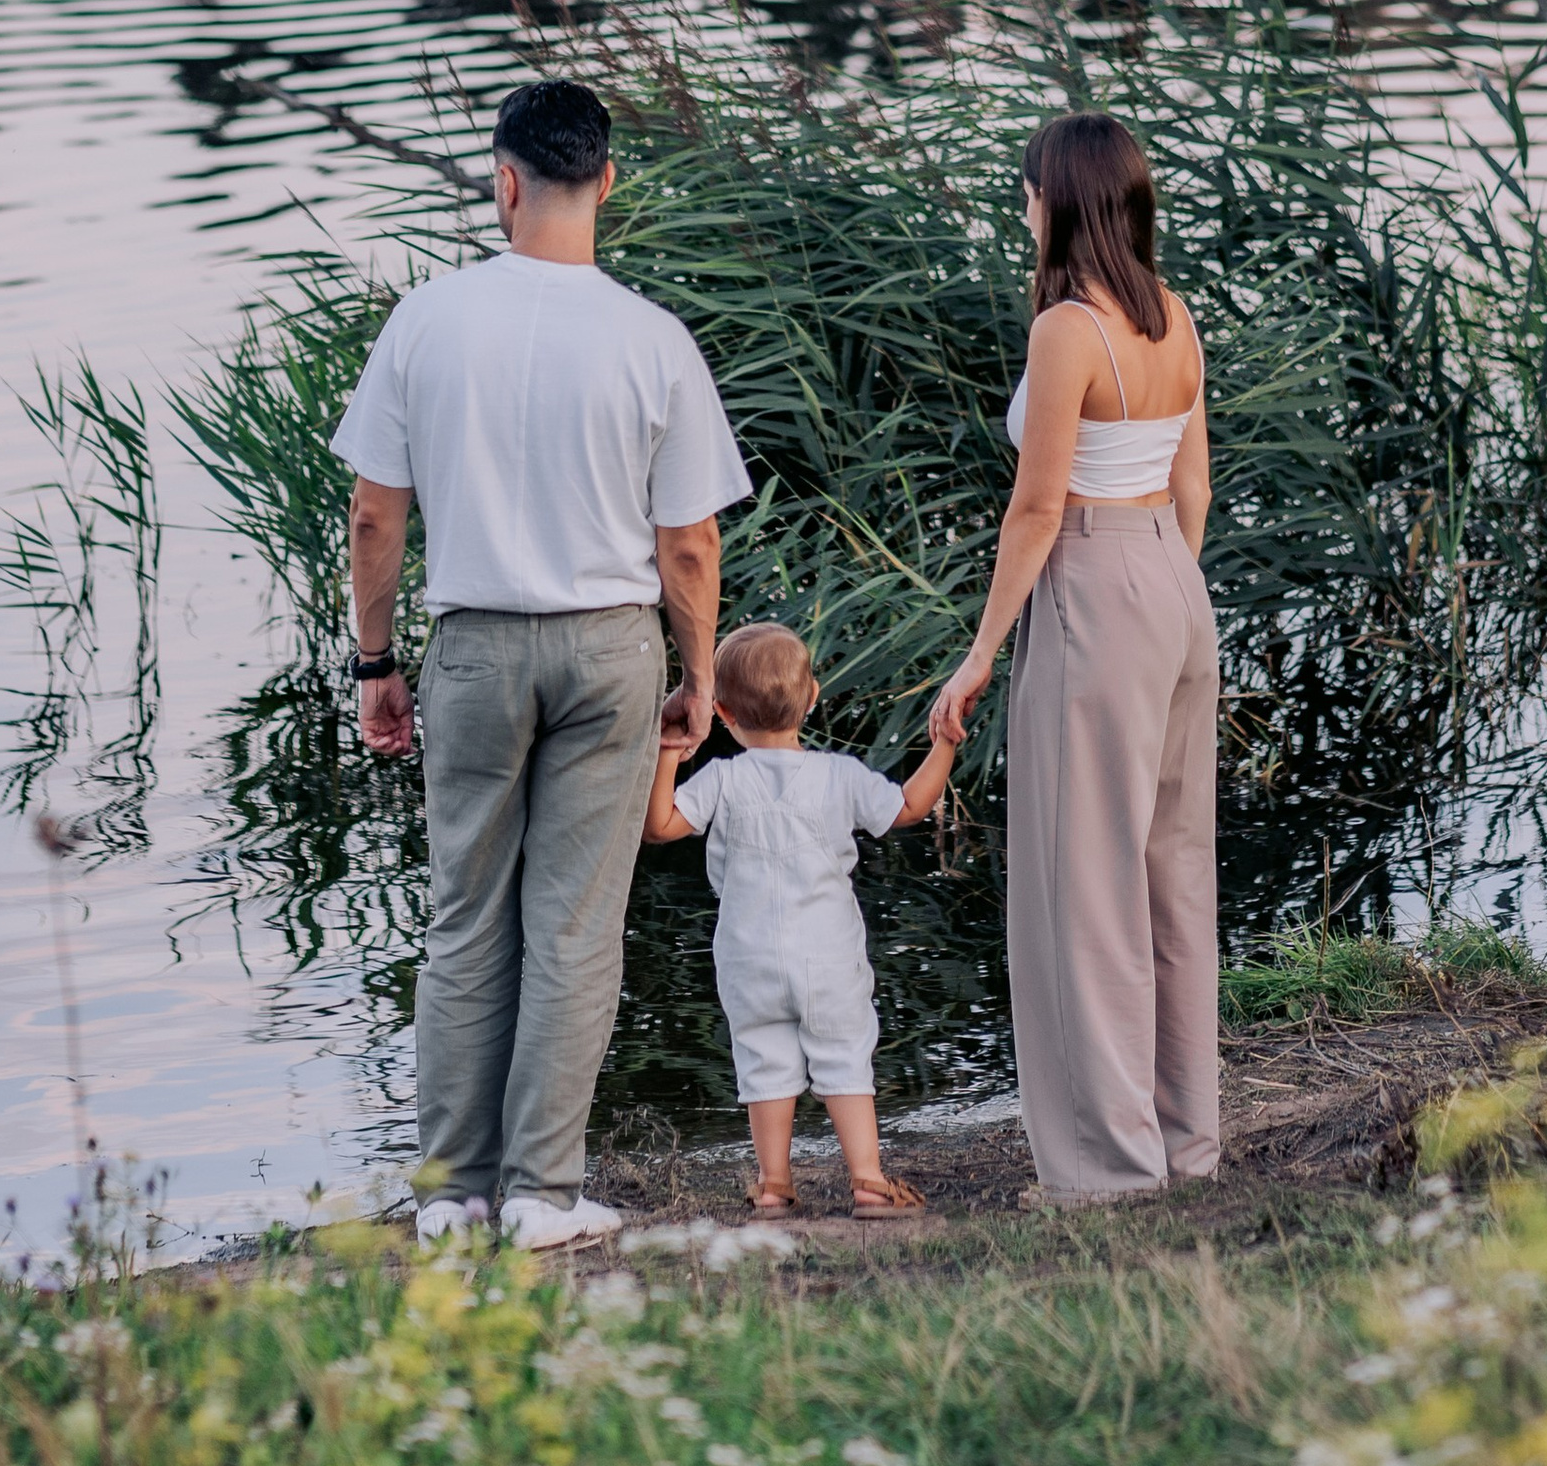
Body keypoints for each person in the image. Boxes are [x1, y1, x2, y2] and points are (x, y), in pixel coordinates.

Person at [335, 76, 749, 1250]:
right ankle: (542, 1197)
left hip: (471, 648)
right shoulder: (651, 337)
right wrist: (699, 675)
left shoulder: (425, 318)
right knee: (573, 928)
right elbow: (689, 541)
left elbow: (375, 515)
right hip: (609, 648)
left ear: (503, 182)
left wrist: (375, 662)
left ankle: (450, 1197)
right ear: (606, 182)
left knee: (465, 920)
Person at [927, 111, 1217, 1202]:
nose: (1023, 206)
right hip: (1174, 587)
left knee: (1085, 887)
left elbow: (1035, 509)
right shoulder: (1175, 316)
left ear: (1061, 202)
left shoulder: (1066, 331)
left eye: (1027, 190)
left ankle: (1104, 1169)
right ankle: (1185, 1146)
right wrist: (1168, 586)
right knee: (1171, 876)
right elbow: (1191, 486)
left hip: (1097, 581)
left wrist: (976, 656)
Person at [646, 619, 954, 1215]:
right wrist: (944, 742)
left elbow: (658, 827)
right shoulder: (839, 775)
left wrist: (666, 752)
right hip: (829, 956)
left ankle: (773, 1185)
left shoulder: (721, 780)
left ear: (725, 713)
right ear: (813, 696)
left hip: (748, 956)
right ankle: (867, 1181)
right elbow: (911, 806)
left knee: (763, 1059)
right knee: (843, 1054)